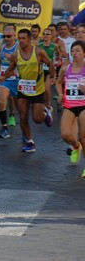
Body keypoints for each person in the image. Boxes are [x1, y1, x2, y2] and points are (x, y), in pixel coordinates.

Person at [0, 28, 53, 153]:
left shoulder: (38, 52)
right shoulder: (16, 55)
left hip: (37, 90)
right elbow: (11, 69)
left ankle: (45, 114)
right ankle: (30, 142)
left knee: (37, 119)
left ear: (29, 39)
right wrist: (3, 77)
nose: (21, 41)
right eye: (20, 38)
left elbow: (49, 63)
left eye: (24, 38)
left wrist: (52, 77)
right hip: (23, 89)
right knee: (23, 116)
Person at [55, 40, 85, 176]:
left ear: (84, 53)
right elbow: (57, 81)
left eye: (78, 50)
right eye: (73, 51)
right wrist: (60, 93)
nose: (75, 53)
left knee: (84, 137)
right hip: (69, 105)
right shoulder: (66, 68)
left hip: (84, 105)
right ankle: (76, 146)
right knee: (65, 135)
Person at [0, 25, 19, 139]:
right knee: (1, 102)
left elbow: (25, 60)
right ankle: (4, 128)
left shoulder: (19, 47)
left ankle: (13, 115)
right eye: (4, 36)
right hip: (4, 79)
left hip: (18, 79)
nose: (7, 38)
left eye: (9, 36)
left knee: (21, 108)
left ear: (14, 35)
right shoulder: (2, 46)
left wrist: (12, 58)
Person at [39, 28, 61, 112]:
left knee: (46, 88)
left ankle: (48, 105)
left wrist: (59, 60)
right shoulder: (39, 45)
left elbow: (59, 53)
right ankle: (41, 103)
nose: (45, 35)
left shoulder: (54, 45)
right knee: (40, 88)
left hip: (49, 70)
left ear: (51, 36)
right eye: (44, 33)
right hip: (40, 70)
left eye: (48, 34)